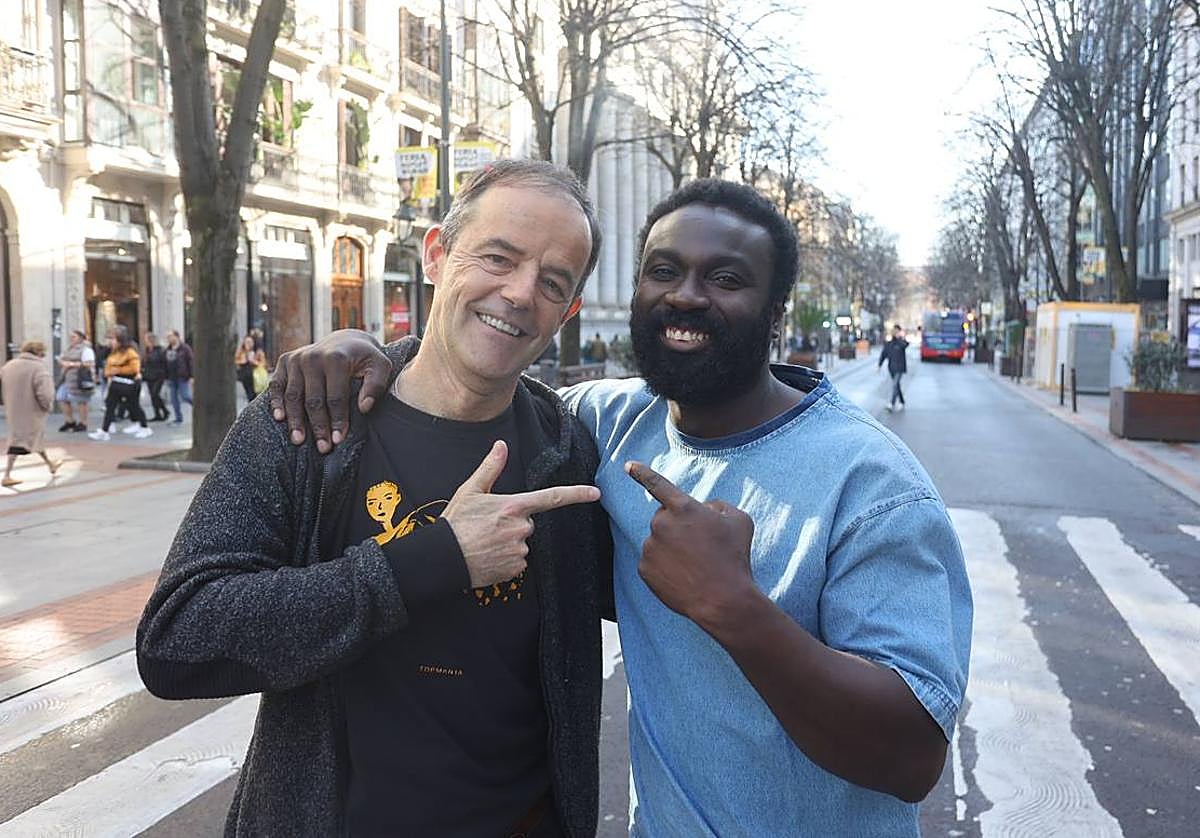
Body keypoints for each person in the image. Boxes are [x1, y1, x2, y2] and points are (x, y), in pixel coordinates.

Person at [276, 179, 972, 836]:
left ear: (775, 311)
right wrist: (366, 352)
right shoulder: (605, 422)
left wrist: (734, 608)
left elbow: (910, 759)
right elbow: (469, 381)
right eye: (663, 271)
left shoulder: (872, 483)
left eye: (726, 279)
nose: (686, 296)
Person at [136, 160, 614, 837]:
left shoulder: (569, 455)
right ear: (436, 254)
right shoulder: (309, 423)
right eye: (497, 258)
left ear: (567, 314)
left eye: (552, 283)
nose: (518, 292)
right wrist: (432, 560)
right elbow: (176, 640)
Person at [1, 340, 62, 487]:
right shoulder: (39, 368)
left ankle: (50, 464)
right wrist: (47, 406)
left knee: (30, 438)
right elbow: (45, 393)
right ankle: (7, 475)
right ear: (39, 352)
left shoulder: (8, 366)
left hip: (13, 409)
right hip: (32, 410)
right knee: (21, 441)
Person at [88, 326, 152, 440]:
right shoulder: (113, 352)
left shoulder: (130, 352)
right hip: (115, 383)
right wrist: (109, 372)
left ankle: (144, 427)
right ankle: (104, 430)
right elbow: (108, 367)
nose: (110, 341)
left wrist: (118, 370)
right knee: (110, 406)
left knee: (134, 406)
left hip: (129, 383)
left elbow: (135, 368)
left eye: (113, 339)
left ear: (120, 340)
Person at [56, 329, 95, 432]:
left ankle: (83, 423)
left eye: (74, 337)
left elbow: (89, 363)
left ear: (80, 338)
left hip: (80, 378)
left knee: (81, 400)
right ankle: (70, 421)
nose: (71, 339)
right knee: (61, 397)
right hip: (67, 378)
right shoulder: (68, 349)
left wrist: (72, 364)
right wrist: (62, 362)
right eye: (71, 337)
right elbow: (61, 358)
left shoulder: (86, 349)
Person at [164, 329, 193, 424]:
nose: (168, 339)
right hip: (172, 377)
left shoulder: (185, 348)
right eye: (167, 337)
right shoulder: (168, 349)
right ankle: (178, 418)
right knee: (174, 399)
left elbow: (191, 362)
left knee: (185, 396)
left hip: (182, 376)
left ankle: (198, 406)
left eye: (170, 336)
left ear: (176, 336)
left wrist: (192, 376)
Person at [879, 323, 909, 412]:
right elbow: (884, 354)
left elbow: (905, 345)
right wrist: (879, 365)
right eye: (894, 330)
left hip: (900, 368)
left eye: (897, 331)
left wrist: (901, 337)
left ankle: (891, 404)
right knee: (897, 386)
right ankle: (902, 401)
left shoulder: (901, 342)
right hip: (891, 368)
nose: (895, 332)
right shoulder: (889, 343)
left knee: (895, 385)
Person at [141, 332, 169, 422]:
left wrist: (165, 374)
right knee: (152, 396)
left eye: (146, 339)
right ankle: (157, 414)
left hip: (159, 375)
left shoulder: (160, 350)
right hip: (149, 375)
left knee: (155, 394)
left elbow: (164, 363)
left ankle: (165, 410)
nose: (144, 341)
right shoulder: (147, 350)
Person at [234, 334, 265, 403]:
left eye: (250, 342)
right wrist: (243, 360)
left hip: (255, 375)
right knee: (249, 392)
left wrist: (253, 361)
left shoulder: (258, 352)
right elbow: (236, 360)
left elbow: (263, 363)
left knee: (254, 394)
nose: (249, 344)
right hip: (244, 375)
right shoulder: (241, 351)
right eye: (247, 342)